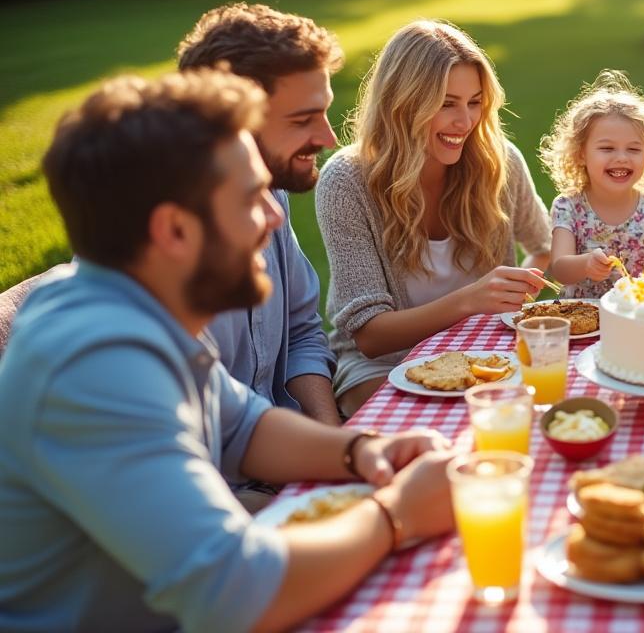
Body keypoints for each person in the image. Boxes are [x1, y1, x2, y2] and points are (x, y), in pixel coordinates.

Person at [0, 71, 457, 633]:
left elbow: (245, 427)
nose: (273, 217)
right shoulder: (95, 364)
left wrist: (361, 449)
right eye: (251, 198)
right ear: (174, 230)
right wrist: (398, 515)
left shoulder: (134, 309)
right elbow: (235, 595)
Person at [316, 20, 551, 417]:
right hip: (381, 365)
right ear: (402, 102)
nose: (465, 123)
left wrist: (515, 298)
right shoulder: (346, 180)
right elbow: (371, 336)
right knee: (417, 429)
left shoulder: (500, 162)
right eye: (446, 103)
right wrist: (471, 300)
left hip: (486, 353)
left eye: (474, 102)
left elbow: (544, 247)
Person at [177, 3, 342, 433]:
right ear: (230, 125)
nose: (329, 138)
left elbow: (303, 330)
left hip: (285, 447)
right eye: (304, 119)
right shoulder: (162, 248)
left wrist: (331, 433)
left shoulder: (271, 196)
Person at [539, 69, 644, 297]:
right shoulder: (569, 207)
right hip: (589, 321)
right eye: (607, 148)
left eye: (633, 149)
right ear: (581, 153)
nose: (622, 157)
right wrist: (586, 264)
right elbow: (560, 268)